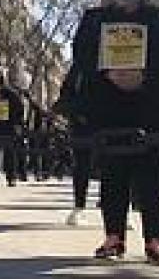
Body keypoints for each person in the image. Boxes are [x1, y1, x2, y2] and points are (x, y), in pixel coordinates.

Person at [67, 0, 159, 266]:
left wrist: (144, 77)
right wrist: (108, 73)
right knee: (113, 174)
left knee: (154, 178)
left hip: (153, 107)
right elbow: (81, 56)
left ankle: (154, 241)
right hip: (108, 106)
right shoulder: (94, 20)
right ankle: (113, 236)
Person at [54, 58, 94, 226]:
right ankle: (79, 206)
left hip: (100, 118)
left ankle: (119, 210)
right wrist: (76, 113)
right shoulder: (80, 68)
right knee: (82, 164)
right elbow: (67, 92)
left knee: (113, 166)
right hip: (82, 121)